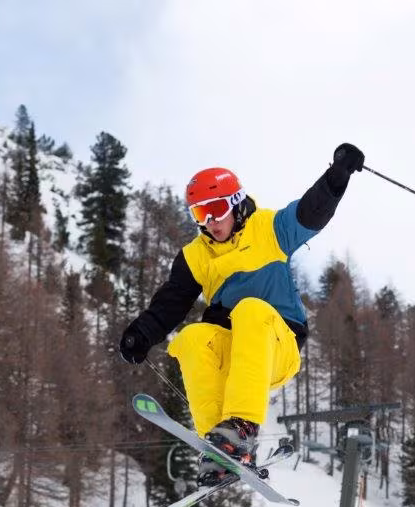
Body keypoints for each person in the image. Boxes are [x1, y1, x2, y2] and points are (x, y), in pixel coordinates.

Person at [120, 143, 364, 485]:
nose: (210, 222)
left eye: (216, 209)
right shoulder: (196, 256)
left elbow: (310, 213)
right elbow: (170, 303)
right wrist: (141, 333)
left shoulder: (269, 228)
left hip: (277, 345)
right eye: (199, 215)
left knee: (249, 310)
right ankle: (219, 447)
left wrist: (336, 177)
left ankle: (242, 427)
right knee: (191, 338)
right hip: (233, 352)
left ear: (236, 203)